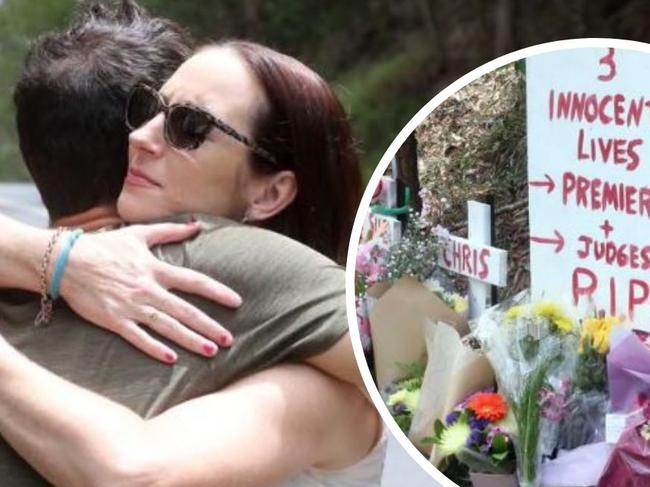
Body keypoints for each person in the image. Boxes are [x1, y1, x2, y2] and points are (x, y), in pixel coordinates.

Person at [0, 2, 381, 486]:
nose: (140, 136)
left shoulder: (271, 285)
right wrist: (58, 260)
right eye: (145, 109)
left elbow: (413, 359)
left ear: (271, 191)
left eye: (190, 126)